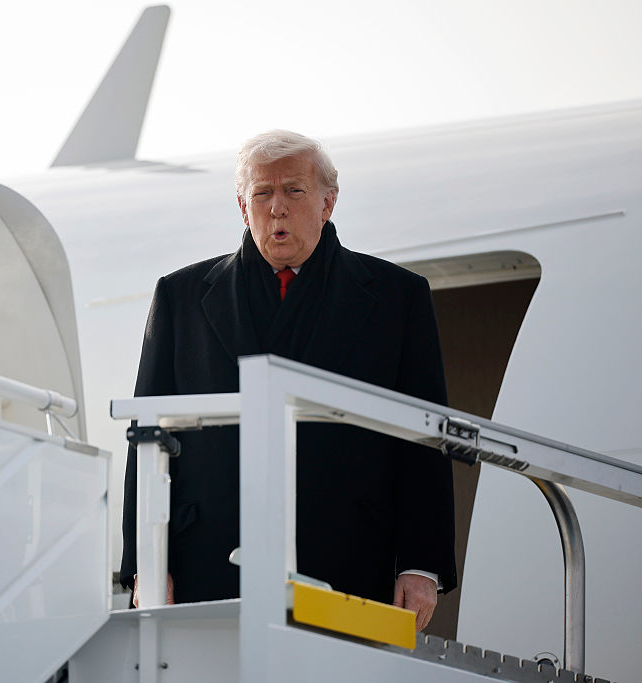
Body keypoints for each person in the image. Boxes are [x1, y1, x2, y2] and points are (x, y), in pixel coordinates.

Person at [120, 130, 456, 630]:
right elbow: (148, 436)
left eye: (294, 191)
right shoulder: (181, 296)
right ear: (243, 206)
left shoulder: (396, 297)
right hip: (209, 561)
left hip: (354, 558)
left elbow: (425, 437)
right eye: (262, 192)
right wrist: (146, 563)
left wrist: (420, 563)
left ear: (328, 203)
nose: (277, 207)